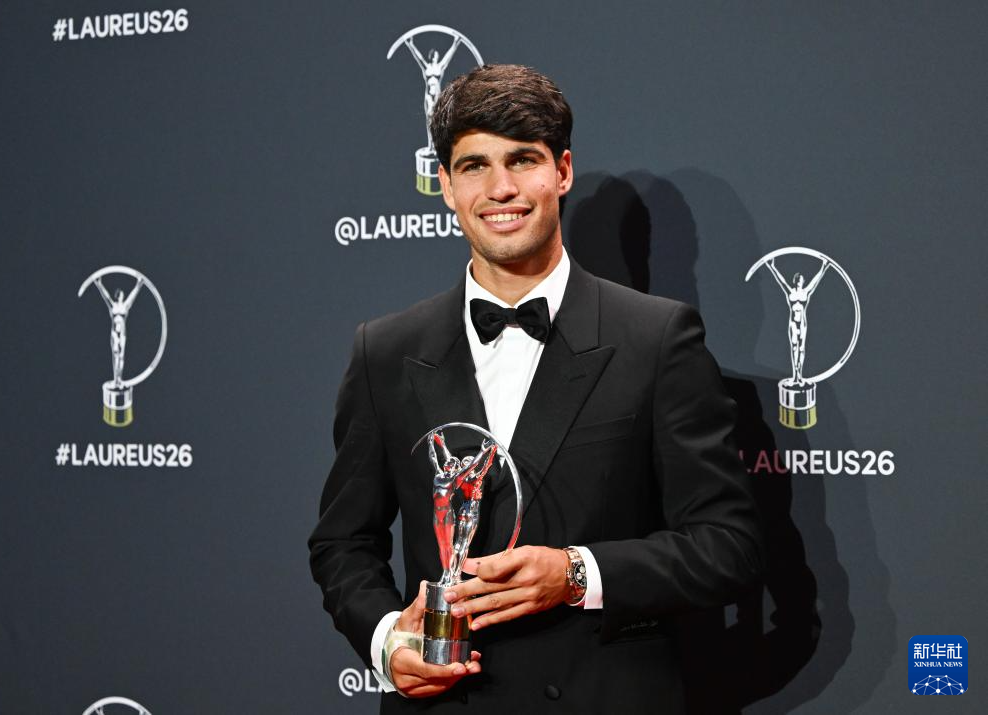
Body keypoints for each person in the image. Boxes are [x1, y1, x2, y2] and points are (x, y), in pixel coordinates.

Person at [309, 64, 762, 714]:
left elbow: (728, 544)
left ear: (563, 171)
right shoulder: (384, 351)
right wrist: (386, 639)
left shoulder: (656, 339)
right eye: (474, 166)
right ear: (446, 185)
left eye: (522, 160)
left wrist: (576, 573)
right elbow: (343, 542)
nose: (501, 189)